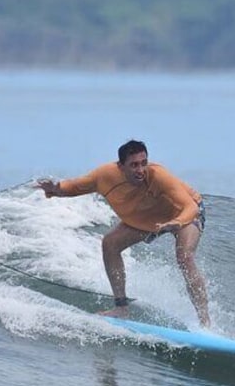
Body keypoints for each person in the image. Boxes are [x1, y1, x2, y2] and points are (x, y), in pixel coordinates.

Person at [36, 139, 210, 327]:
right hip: (148, 216)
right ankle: (121, 308)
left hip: (183, 213)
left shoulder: (158, 175)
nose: (140, 170)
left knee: (184, 257)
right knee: (110, 244)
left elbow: (189, 207)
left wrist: (175, 223)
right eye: (134, 165)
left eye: (144, 163)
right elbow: (75, 186)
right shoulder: (104, 176)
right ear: (120, 166)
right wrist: (55, 189)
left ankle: (204, 322)